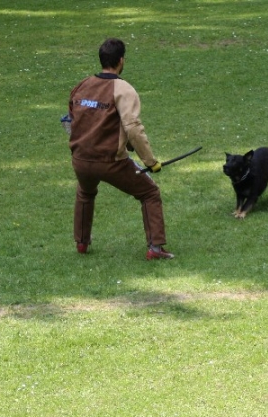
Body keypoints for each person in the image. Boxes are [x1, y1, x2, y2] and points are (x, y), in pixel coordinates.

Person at [68, 38, 174, 260]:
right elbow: (133, 127)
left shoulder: (82, 85)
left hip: (80, 159)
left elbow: (72, 120)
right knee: (149, 193)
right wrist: (150, 162)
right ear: (121, 60)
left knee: (85, 193)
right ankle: (155, 248)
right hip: (110, 162)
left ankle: (81, 243)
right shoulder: (123, 89)